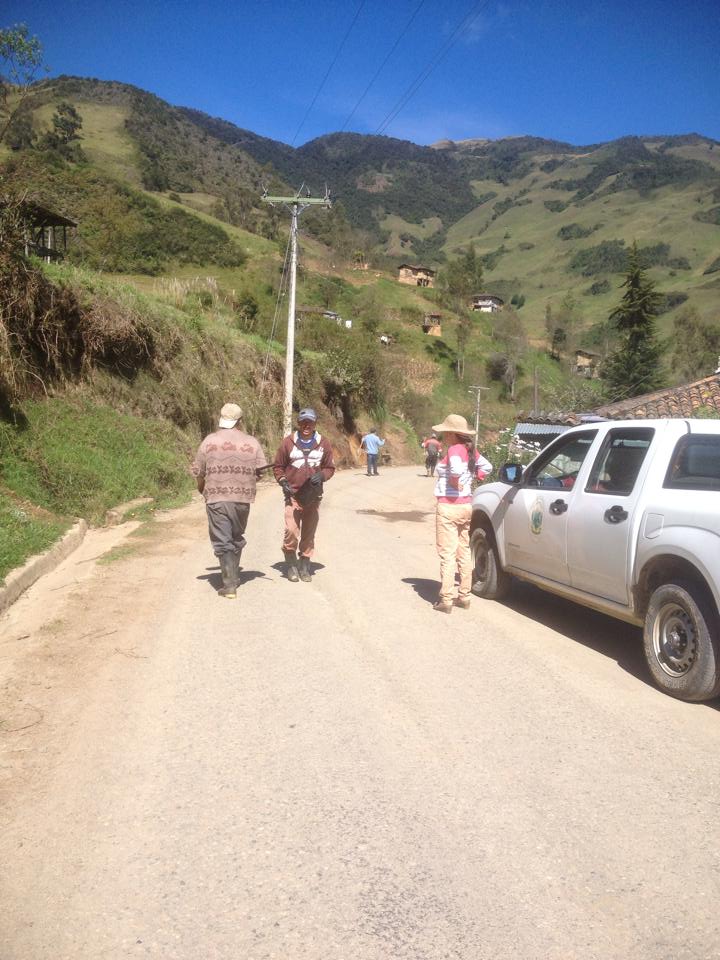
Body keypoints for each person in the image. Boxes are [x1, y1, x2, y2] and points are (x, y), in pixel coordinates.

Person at [191, 402, 267, 599]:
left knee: (222, 540)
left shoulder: (209, 441)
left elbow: (198, 470)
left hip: (216, 497)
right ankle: (232, 578)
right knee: (235, 536)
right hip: (242, 499)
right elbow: (261, 471)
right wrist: (246, 479)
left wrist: (202, 486)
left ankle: (229, 584)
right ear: (240, 421)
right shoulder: (251, 442)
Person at [431, 413, 492, 614]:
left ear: (452, 433)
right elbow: (487, 467)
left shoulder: (455, 449)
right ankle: (464, 596)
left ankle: (446, 599)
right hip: (466, 506)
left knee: (447, 554)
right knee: (463, 551)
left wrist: (455, 482)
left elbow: (456, 472)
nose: (444, 436)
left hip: (449, 507)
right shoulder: (470, 450)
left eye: (446, 432)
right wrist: (473, 478)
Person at [273, 407, 335, 582]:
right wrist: (283, 481)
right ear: (298, 423)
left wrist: (322, 475)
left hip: (313, 497)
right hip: (293, 495)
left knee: (308, 534)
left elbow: (330, 467)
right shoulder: (288, 442)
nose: (306, 425)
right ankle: (291, 565)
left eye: (310, 422)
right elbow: (278, 467)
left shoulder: (324, 443)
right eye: (303, 422)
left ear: (315, 423)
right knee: (291, 531)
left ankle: (305, 566)